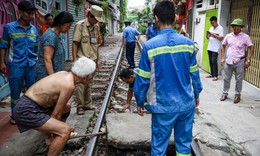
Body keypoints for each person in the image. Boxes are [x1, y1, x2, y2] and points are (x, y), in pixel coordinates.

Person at [134, 1, 203, 156]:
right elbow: (195, 75)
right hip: (186, 104)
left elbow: (143, 78)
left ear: (156, 19)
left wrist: (139, 101)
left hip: (162, 106)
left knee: (159, 147)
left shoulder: (150, 46)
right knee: (184, 147)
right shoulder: (188, 44)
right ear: (175, 18)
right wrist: (196, 94)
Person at [12, 56, 96, 156]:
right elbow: (56, 115)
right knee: (65, 131)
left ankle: (52, 138)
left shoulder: (64, 74)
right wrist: (58, 129)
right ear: (86, 76)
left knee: (67, 108)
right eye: (92, 75)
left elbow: (57, 107)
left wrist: (51, 132)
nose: (92, 78)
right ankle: (56, 138)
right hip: (26, 110)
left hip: (28, 105)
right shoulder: (69, 86)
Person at [0, 1, 39, 125]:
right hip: (16, 65)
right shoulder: (9, 27)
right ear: (20, 12)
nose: (31, 16)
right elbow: (3, 46)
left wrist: (35, 61)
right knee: (15, 92)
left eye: (32, 13)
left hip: (31, 65)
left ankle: (30, 113)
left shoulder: (34, 29)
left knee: (32, 91)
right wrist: (2, 62)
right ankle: (15, 115)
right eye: (28, 13)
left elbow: (36, 48)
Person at [72, 5, 103, 115]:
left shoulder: (96, 27)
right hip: (82, 60)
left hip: (92, 60)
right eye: (95, 19)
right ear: (89, 16)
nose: (96, 22)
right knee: (81, 84)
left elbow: (96, 45)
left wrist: (97, 60)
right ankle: (80, 106)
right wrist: (75, 60)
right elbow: (75, 43)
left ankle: (87, 103)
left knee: (89, 83)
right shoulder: (80, 25)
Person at [220, 18, 254, 104]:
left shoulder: (245, 37)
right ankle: (225, 93)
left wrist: (248, 60)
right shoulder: (228, 36)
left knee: (239, 79)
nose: (235, 28)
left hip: (240, 61)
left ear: (241, 27)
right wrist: (222, 58)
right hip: (229, 61)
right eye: (234, 26)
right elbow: (223, 45)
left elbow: (251, 47)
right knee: (226, 79)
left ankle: (237, 95)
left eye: (237, 26)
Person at [36, 11, 74, 81]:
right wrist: (53, 80)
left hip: (56, 75)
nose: (69, 28)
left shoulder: (57, 35)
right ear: (61, 23)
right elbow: (47, 59)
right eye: (68, 26)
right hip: (47, 77)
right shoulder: (50, 36)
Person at [206, 16, 224, 81]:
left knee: (214, 61)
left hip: (215, 48)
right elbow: (207, 38)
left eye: (213, 23)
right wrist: (207, 34)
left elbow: (221, 38)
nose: (212, 24)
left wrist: (213, 34)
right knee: (210, 61)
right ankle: (212, 74)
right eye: (211, 23)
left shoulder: (220, 28)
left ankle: (216, 76)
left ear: (216, 21)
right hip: (209, 47)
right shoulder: (211, 28)